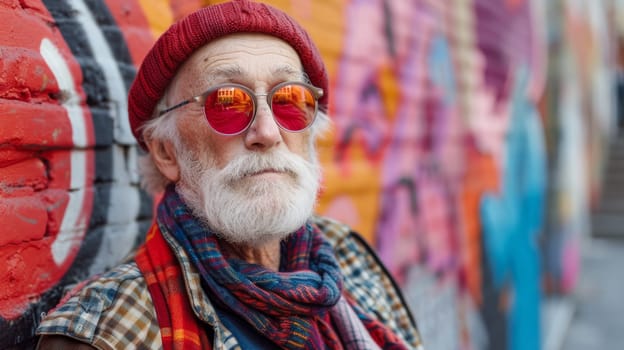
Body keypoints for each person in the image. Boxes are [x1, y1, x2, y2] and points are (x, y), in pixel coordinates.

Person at [36, 1, 423, 349]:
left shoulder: (346, 256)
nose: (268, 133)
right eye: (227, 103)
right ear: (167, 152)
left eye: (289, 100)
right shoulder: (105, 335)